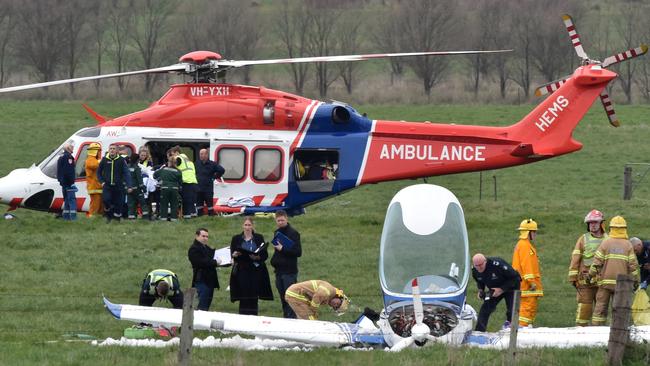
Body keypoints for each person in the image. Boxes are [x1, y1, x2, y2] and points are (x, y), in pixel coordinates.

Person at [589, 216, 639, 325]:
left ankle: (596, 331)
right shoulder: (628, 245)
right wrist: (636, 280)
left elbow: (596, 263)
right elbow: (633, 266)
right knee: (620, 309)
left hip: (605, 283)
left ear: (611, 228)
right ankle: (618, 330)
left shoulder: (606, 243)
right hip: (621, 285)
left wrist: (590, 275)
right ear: (624, 229)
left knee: (600, 308)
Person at [568, 210, 608, 326]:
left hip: (602, 281)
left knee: (601, 308)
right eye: (590, 223)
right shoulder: (583, 239)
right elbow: (575, 258)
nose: (592, 225)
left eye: (595, 222)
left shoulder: (608, 239)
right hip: (585, 281)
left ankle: (598, 331)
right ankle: (581, 331)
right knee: (584, 306)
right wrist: (573, 277)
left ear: (601, 224)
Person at [229, 217, 274, 315]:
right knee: (243, 294)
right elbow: (232, 253)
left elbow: (264, 254)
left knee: (254, 294)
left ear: (252, 226)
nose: (247, 227)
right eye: (245, 225)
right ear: (242, 226)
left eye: (249, 225)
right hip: (242, 270)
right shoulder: (236, 238)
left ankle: (254, 317)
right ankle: (243, 317)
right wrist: (234, 255)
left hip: (255, 270)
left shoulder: (258, 237)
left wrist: (257, 257)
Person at [472, 253, 521, 332]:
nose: (479, 268)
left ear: (485, 261)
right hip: (494, 289)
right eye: (476, 265)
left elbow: (516, 278)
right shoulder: (475, 270)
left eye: (481, 265)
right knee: (485, 309)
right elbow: (479, 280)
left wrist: (501, 289)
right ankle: (479, 331)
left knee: (511, 310)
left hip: (510, 286)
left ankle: (511, 329)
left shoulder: (497, 264)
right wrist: (481, 290)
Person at [270, 210, 302, 318]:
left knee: (290, 298)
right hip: (279, 271)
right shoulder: (276, 232)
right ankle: (286, 319)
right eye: (278, 220)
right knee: (283, 298)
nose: (280, 222)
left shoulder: (294, 233)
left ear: (286, 219)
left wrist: (282, 248)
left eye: (282, 220)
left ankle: (292, 320)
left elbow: (298, 252)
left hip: (289, 272)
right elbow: (277, 251)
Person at [512, 218, 543, 328]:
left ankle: (522, 328)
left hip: (523, 284)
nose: (535, 234)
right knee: (527, 309)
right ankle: (521, 329)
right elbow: (527, 265)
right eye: (534, 232)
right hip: (527, 286)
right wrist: (531, 282)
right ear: (528, 232)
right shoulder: (525, 246)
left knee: (526, 309)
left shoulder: (522, 244)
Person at [97, 144, 133, 222]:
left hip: (118, 186)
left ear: (116, 151)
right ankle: (108, 214)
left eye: (114, 149)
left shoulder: (121, 160)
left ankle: (116, 219)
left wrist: (129, 185)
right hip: (107, 186)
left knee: (119, 203)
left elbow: (126, 173)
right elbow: (98, 173)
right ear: (108, 150)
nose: (112, 150)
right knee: (106, 200)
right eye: (111, 148)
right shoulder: (104, 160)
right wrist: (102, 182)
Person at [188, 228, 220, 311]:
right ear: (197, 236)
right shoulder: (193, 249)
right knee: (202, 306)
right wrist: (215, 262)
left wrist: (227, 260)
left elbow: (215, 257)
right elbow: (200, 262)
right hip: (202, 280)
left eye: (207, 236)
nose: (205, 238)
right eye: (203, 236)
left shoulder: (206, 248)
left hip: (210, 281)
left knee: (206, 305)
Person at [285, 280, 349, 320]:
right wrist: (314, 311)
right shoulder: (329, 290)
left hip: (297, 295)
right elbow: (318, 296)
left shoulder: (329, 294)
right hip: (296, 294)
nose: (334, 305)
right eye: (338, 303)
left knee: (306, 318)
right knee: (310, 320)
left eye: (335, 307)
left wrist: (314, 311)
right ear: (339, 296)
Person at [195, 148, 225, 216]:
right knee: (199, 206)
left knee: (210, 206)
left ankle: (211, 218)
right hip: (198, 189)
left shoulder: (212, 164)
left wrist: (215, 177)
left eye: (203, 154)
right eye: (200, 154)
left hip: (208, 189)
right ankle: (199, 218)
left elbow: (222, 170)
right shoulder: (197, 163)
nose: (201, 155)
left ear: (207, 154)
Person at [171, 146, 198, 219]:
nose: (172, 156)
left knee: (186, 200)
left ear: (177, 152)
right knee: (191, 201)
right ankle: (193, 215)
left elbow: (172, 166)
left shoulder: (178, 158)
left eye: (173, 154)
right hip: (193, 182)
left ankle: (187, 217)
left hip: (186, 181)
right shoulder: (189, 161)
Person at [153, 157, 182, 221]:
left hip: (165, 189)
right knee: (174, 204)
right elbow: (180, 182)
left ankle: (163, 218)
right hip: (174, 189)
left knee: (164, 204)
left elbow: (154, 175)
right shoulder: (178, 171)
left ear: (169, 162)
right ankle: (174, 219)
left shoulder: (164, 169)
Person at [56, 142, 77, 221]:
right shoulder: (69, 157)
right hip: (68, 182)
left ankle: (66, 217)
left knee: (67, 200)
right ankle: (73, 218)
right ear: (68, 148)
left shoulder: (61, 157)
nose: (73, 148)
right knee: (72, 200)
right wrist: (72, 182)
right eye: (71, 147)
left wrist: (61, 180)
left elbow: (59, 171)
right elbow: (69, 171)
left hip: (63, 182)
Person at [126, 154, 150, 220]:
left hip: (129, 189)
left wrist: (126, 188)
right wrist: (144, 188)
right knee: (143, 203)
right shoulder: (137, 168)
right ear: (137, 160)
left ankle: (131, 217)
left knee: (131, 204)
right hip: (137, 189)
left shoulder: (126, 167)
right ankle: (145, 217)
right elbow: (140, 180)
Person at [84, 143, 103, 218]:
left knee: (100, 206)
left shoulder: (95, 160)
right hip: (94, 187)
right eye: (98, 151)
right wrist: (100, 162)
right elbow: (93, 165)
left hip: (98, 187)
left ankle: (98, 219)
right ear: (95, 151)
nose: (99, 153)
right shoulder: (90, 159)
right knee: (94, 206)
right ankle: (91, 219)